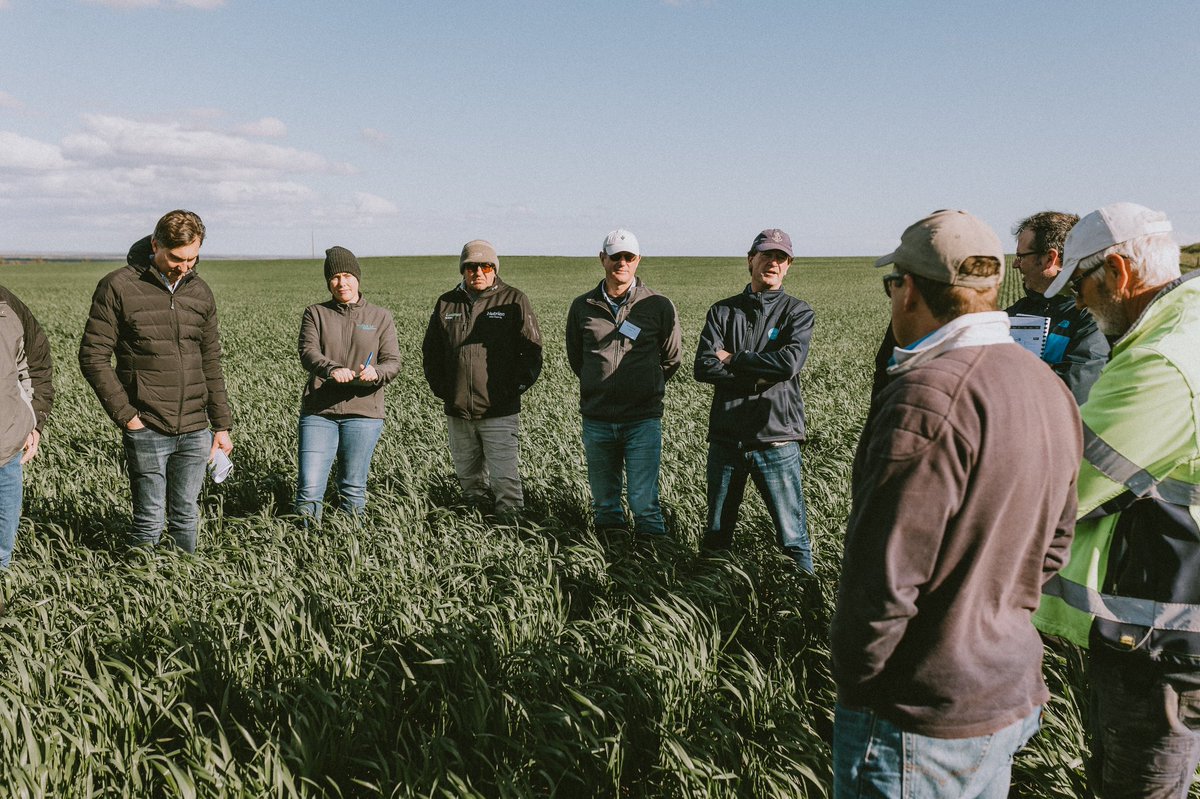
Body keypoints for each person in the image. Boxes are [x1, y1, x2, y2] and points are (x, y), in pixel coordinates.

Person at [831, 209, 1081, 797]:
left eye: (892, 283)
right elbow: (1054, 549)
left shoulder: (926, 397)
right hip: (1004, 691)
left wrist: (860, 686)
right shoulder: (1045, 384)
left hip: (918, 715)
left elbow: (881, 582)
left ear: (909, 288)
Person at [1031, 203, 1200, 798]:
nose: (1079, 302)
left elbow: (1056, 487)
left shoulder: (1161, 362)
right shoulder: (1186, 327)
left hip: (1161, 636)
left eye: (1081, 284)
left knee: (1139, 784)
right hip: (1162, 623)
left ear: (1120, 273)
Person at [79, 210, 233, 553]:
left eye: (193, 258)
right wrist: (128, 417)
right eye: (177, 258)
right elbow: (92, 356)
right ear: (155, 245)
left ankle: (182, 588)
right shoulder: (118, 286)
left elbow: (211, 362)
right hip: (147, 425)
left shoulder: (200, 292)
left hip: (196, 427)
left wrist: (221, 425)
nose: (185, 267)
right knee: (149, 519)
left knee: (186, 516)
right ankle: (139, 591)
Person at [694, 229, 815, 572]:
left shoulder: (797, 312)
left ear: (788, 266)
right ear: (751, 260)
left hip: (776, 437)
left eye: (781, 258)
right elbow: (703, 366)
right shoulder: (722, 312)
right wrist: (761, 373)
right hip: (727, 438)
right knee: (717, 534)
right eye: (766, 255)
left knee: (792, 538)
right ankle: (709, 601)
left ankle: (804, 606)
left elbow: (789, 363)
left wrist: (733, 359)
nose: (773, 263)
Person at [565, 229, 681, 539]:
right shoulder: (582, 306)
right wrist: (599, 385)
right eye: (615, 256)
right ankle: (612, 559)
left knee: (645, 503)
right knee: (605, 504)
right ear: (602, 259)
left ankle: (653, 565)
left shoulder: (658, 305)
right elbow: (578, 358)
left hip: (642, 419)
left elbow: (671, 358)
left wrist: (643, 385)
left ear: (638, 260)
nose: (622, 262)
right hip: (598, 419)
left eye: (628, 257)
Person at [422, 240, 542, 516]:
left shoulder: (514, 300)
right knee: (469, 480)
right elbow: (431, 352)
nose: (478, 272)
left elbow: (532, 352)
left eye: (485, 266)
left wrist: (514, 388)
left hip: (499, 410)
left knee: (505, 481)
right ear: (463, 270)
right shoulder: (446, 303)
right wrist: (444, 389)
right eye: (471, 266)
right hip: (458, 411)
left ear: (494, 269)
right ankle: (474, 530)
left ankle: (511, 532)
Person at [295, 246, 401, 521]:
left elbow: (393, 361)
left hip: (364, 413)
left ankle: (347, 548)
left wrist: (376, 373)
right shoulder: (316, 313)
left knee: (353, 489)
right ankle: (305, 549)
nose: (341, 283)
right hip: (320, 412)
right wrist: (332, 369)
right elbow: (308, 352)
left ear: (357, 277)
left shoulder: (380, 317)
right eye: (335, 277)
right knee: (309, 488)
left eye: (347, 275)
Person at [1006, 211, 1109, 403]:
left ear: (1049, 259)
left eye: (1021, 256)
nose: (1015, 265)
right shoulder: (1013, 313)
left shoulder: (1091, 318)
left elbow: (1075, 392)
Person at [0, 285, 54, 570]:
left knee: (1, 556)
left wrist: (33, 423)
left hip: (6, 454)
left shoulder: (7, 306)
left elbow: (34, 364)